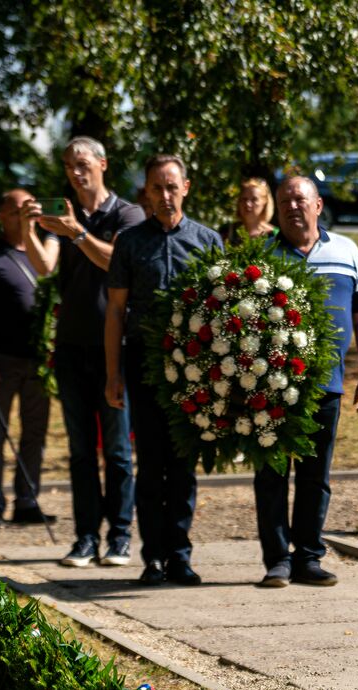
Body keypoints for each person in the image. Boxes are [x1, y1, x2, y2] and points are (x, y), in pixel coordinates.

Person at [25, 137, 146, 567]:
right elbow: (45, 266)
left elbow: (121, 263)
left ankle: (119, 536)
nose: (77, 173)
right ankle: (83, 539)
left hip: (115, 347)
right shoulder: (64, 216)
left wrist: (78, 232)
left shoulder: (127, 214)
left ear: (102, 164)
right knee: (79, 450)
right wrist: (32, 228)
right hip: (72, 345)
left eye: (83, 164)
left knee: (116, 447)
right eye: (69, 166)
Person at [255, 175, 358, 588]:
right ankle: (277, 560)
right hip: (270, 387)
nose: (293, 206)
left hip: (326, 384)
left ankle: (308, 556)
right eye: (285, 200)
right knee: (272, 474)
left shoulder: (347, 251)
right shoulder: (263, 254)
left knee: (315, 475)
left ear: (318, 205)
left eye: (300, 199)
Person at [104, 154, 223, 585]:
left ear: (186, 188)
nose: (165, 196)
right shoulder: (130, 241)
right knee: (151, 463)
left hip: (194, 367)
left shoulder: (208, 241)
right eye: (157, 188)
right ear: (146, 193)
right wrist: (113, 373)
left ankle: (180, 553)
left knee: (184, 462)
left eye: (172, 187)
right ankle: (152, 556)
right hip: (144, 360)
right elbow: (116, 311)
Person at [0, 189, 55, 529]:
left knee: (35, 433)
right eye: (17, 208)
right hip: (1, 362)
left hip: (38, 362)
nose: (24, 213)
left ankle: (27, 501)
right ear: (2, 215)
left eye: (29, 208)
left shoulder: (45, 251)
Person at [217, 178, 275, 245]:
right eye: (244, 199)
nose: (247, 204)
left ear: (265, 203)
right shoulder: (226, 231)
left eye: (254, 199)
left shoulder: (274, 234)